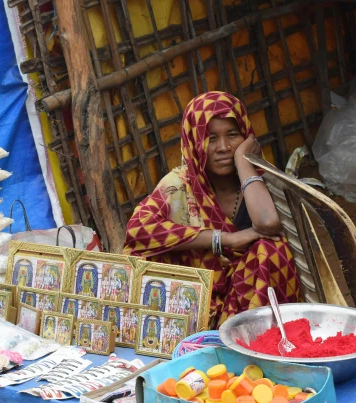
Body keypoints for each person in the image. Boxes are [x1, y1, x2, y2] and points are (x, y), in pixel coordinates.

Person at [124, 91, 301, 327]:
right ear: (194, 141)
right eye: (211, 138)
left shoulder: (262, 181)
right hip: (198, 300)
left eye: (233, 135)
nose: (223, 147)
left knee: (272, 249)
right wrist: (225, 239)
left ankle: (259, 338)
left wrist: (243, 163)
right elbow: (138, 230)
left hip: (249, 301)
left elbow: (268, 223)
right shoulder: (180, 185)